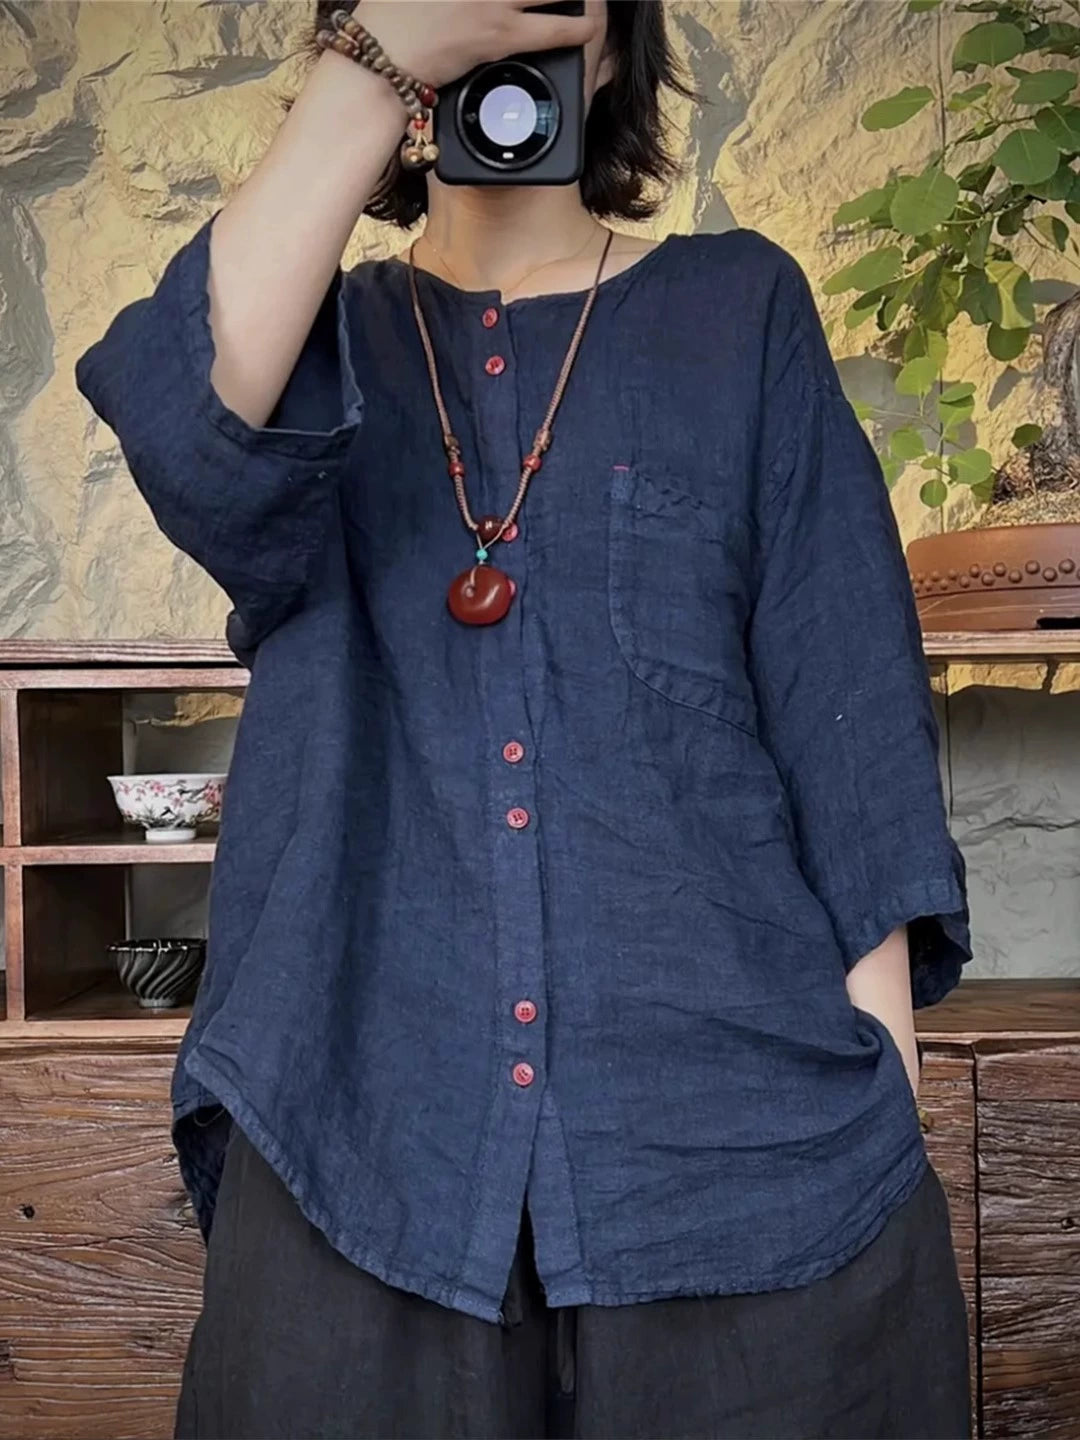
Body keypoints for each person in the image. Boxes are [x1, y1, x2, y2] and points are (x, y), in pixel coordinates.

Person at [75, 2, 975, 1436]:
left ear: (614, 40)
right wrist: (379, 61)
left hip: (737, 1148)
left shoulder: (736, 309)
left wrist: (885, 1126)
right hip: (357, 1126)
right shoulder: (318, 339)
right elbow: (191, 442)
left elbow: (846, 714)